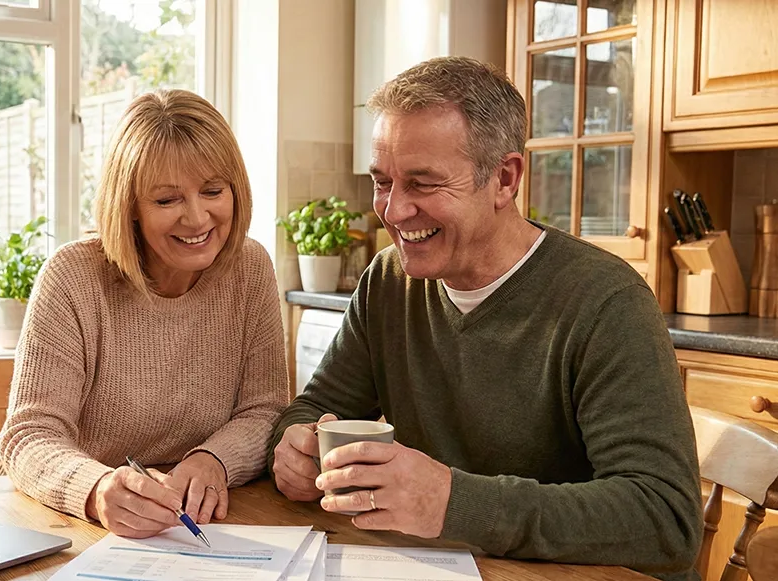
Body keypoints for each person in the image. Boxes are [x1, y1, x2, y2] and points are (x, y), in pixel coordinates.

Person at [268, 57, 703, 581]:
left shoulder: (605, 301)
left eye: (423, 184)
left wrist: (451, 500)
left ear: (503, 179)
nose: (393, 210)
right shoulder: (388, 281)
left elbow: (665, 520)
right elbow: (317, 408)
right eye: (383, 182)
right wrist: (296, 445)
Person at [0, 89, 288, 539]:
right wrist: (97, 487)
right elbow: (29, 435)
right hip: (36, 518)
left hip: (170, 528)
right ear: (130, 210)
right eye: (167, 200)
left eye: (212, 191)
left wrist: (214, 458)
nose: (197, 218)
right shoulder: (72, 276)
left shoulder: (250, 267)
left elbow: (266, 410)